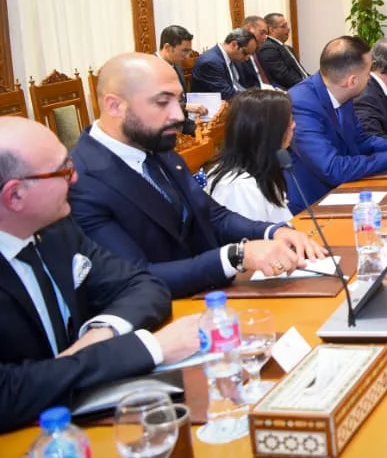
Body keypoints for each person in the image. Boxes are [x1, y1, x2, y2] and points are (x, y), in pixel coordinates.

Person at [0, 117, 202, 433]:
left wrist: (101, 333)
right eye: (63, 171)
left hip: (83, 420)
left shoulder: (56, 229)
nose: (75, 177)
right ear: (14, 196)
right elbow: (7, 392)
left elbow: (143, 285)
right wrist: (149, 348)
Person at [70, 54, 324, 298]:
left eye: (179, 101)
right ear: (114, 106)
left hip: (209, 295)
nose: (179, 116)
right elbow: (134, 277)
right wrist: (235, 256)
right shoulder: (82, 181)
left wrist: (272, 231)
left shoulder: (155, 145)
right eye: (162, 102)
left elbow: (212, 215)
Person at [286, 36, 387, 212]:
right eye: (368, 72)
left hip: (349, 190)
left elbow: (362, 140)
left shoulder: (342, 92)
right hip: (313, 206)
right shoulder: (302, 103)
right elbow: (332, 168)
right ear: (352, 81)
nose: (371, 77)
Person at [205, 90, 296, 223]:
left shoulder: (260, 166)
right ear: (270, 131)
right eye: (289, 122)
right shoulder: (239, 188)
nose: (294, 125)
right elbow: (253, 235)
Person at [156, 24, 206, 133]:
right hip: (163, 128)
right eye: (184, 51)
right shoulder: (150, 69)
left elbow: (182, 98)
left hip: (184, 122)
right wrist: (185, 106)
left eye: (189, 51)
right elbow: (156, 104)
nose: (187, 56)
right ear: (167, 48)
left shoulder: (177, 65)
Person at [190, 28, 256, 100]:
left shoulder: (233, 57)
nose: (247, 58)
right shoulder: (210, 62)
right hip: (211, 105)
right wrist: (254, 99)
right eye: (246, 53)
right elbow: (226, 94)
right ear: (234, 45)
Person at [256, 12, 309, 89]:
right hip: (289, 90)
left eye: (287, 25)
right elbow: (283, 76)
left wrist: (312, 81)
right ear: (271, 30)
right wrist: (307, 85)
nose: (288, 28)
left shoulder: (287, 48)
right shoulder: (268, 48)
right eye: (283, 26)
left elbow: (301, 72)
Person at [238, 15, 278, 90]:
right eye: (262, 33)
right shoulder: (238, 54)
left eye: (266, 34)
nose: (265, 37)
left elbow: (269, 80)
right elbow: (245, 86)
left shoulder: (259, 51)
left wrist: (278, 90)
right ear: (248, 28)